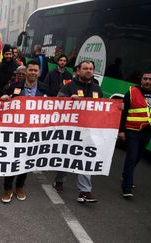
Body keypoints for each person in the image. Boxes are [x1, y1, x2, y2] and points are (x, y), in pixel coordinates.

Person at [53, 60, 103, 203]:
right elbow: (57, 103)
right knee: (67, 157)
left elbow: (103, 109)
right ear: (78, 70)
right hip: (71, 130)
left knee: (86, 159)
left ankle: (85, 191)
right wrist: (69, 100)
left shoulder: (97, 89)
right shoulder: (69, 86)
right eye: (85, 68)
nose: (88, 71)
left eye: (91, 69)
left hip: (89, 131)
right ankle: (59, 180)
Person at [0, 61, 48, 203]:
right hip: (15, 131)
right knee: (11, 160)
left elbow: (57, 104)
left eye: (35, 70)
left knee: (26, 160)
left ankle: (20, 187)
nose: (33, 72)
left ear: (39, 73)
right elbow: (3, 104)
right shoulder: (14, 87)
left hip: (34, 132)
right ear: (26, 71)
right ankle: (8, 189)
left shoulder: (45, 89)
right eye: (30, 70)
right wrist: (4, 99)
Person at [119, 71, 151, 198]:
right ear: (141, 80)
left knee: (137, 157)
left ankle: (126, 174)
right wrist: (121, 130)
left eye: (150, 79)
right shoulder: (132, 92)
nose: (148, 81)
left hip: (147, 132)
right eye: (145, 79)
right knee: (131, 157)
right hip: (132, 131)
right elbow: (123, 112)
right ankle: (127, 187)